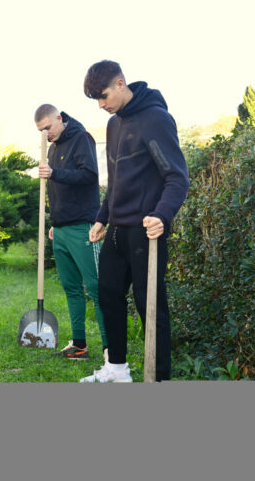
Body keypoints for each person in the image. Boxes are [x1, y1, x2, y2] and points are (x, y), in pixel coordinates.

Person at [80, 60, 189, 383]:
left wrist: (162, 215)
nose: (101, 105)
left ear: (120, 83)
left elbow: (177, 178)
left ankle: (159, 378)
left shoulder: (155, 119)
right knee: (108, 294)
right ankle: (117, 368)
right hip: (117, 230)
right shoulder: (114, 125)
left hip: (146, 231)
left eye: (103, 96)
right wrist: (102, 218)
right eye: (96, 100)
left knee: (150, 306)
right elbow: (115, 180)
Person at [33, 104, 108, 361]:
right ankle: (79, 346)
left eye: (48, 128)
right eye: (41, 131)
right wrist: (55, 221)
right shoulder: (52, 148)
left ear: (59, 117)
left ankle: (111, 348)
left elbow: (89, 176)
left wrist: (54, 173)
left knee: (98, 288)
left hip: (84, 227)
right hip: (62, 229)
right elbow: (57, 190)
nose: (46, 134)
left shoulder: (81, 138)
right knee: (72, 289)